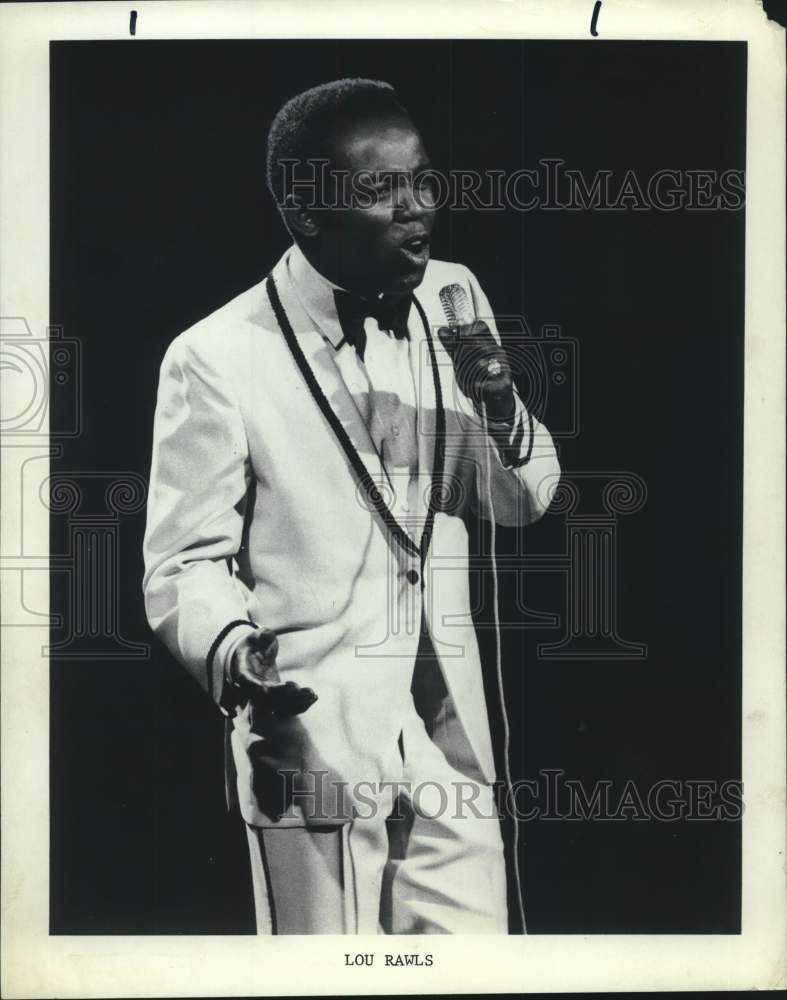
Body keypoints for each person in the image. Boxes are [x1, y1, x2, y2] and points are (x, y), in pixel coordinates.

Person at [142, 78, 560, 935]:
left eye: (425, 180)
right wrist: (232, 653)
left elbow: (521, 502)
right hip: (311, 738)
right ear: (304, 209)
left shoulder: (456, 298)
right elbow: (182, 564)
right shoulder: (215, 356)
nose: (418, 210)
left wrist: (498, 407)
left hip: (450, 738)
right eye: (380, 189)